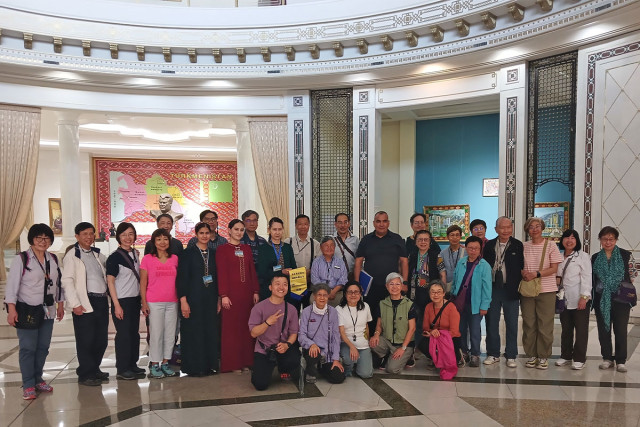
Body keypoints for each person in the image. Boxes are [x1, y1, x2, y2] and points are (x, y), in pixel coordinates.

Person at [5, 224, 65, 400]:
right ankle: (28, 384)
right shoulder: (22, 259)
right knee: (28, 348)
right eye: (39, 237)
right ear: (32, 239)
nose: (43, 241)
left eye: (46, 238)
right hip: (27, 309)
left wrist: (60, 304)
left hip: (48, 310)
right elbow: (12, 286)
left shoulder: (53, 258)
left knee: (43, 347)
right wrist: (11, 309)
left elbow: (58, 284)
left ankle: (38, 379)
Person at [61, 222, 109, 386]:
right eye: (84, 234)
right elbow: (67, 281)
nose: (89, 237)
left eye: (91, 233)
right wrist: (75, 303)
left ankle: (94, 368)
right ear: (77, 236)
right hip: (85, 301)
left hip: (101, 300)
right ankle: (86, 374)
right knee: (86, 339)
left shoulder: (97, 254)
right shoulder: (72, 256)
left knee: (101, 339)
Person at [592, 226, 638, 373]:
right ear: (600, 240)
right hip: (601, 299)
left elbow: (633, 273)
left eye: (611, 239)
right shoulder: (595, 258)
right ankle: (607, 358)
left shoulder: (625, 255)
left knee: (620, 329)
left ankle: (620, 360)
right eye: (605, 239)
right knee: (604, 329)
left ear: (616, 240)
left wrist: (616, 283)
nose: (608, 242)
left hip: (621, 299)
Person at [216, 219, 260, 373]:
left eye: (242, 230)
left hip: (247, 294)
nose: (239, 232)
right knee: (232, 331)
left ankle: (246, 361)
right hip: (231, 295)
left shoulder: (246, 248)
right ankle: (233, 364)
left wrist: (255, 291)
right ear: (229, 230)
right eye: (236, 229)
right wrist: (223, 295)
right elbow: (221, 273)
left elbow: (252, 270)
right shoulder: (222, 249)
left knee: (246, 328)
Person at [177, 222, 220, 376]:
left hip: (210, 299)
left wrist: (218, 299)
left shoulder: (214, 253)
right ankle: (195, 367)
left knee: (209, 332)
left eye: (207, 233)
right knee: (194, 333)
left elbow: (218, 278)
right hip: (192, 299)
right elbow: (181, 278)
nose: (204, 236)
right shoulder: (187, 253)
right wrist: (183, 300)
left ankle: (209, 365)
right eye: (201, 233)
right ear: (196, 234)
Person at [520, 217, 563, 370]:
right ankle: (531, 354)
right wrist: (523, 272)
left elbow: (554, 268)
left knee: (545, 324)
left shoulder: (551, 245)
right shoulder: (523, 246)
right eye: (531, 227)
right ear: (527, 229)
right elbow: (518, 265)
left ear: (542, 227)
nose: (535, 229)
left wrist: (536, 274)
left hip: (547, 290)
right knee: (529, 323)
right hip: (527, 289)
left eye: (537, 226)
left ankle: (543, 356)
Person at [482, 216, 524, 368]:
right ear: (496, 229)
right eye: (502, 227)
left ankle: (511, 355)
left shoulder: (517, 245)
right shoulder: (489, 245)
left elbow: (521, 266)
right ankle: (493, 353)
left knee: (512, 323)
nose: (506, 230)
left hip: (511, 290)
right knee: (491, 322)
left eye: (508, 227)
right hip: (493, 289)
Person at [105, 222, 145, 380]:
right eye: (124, 235)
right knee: (124, 335)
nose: (128, 238)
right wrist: (116, 305)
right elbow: (110, 282)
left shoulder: (135, 253)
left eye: (130, 234)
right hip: (122, 301)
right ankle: (122, 369)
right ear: (118, 237)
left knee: (134, 334)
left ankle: (132, 364)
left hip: (134, 300)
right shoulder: (114, 257)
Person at [248, 274, 300, 391]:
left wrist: (287, 345)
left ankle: (283, 368)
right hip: (264, 349)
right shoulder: (259, 308)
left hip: (283, 347)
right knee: (260, 384)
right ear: (270, 287)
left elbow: (294, 333)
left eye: (285, 284)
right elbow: (253, 333)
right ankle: (262, 369)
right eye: (277, 284)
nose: (281, 287)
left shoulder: (291, 309)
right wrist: (267, 323)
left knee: (297, 372)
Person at [354, 211, 408, 323]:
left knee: (392, 317)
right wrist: (357, 283)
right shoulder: (366, 239)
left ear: (388, 223)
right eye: (378, 221)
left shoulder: (397, 239)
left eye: (384, 221)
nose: (381, 224)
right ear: (374, 223)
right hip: (371, 287)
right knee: (371, 317)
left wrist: (405, 282)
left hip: (392, 287)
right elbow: (358, 262)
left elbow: (404, 262)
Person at [140, 228, 180, 379]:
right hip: (154, 302)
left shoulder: (175, 258)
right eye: (159, 239)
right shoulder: (147, 259)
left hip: (172, 301)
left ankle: (165, 362)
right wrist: (144, 303)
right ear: (154, 242)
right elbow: (143, 283)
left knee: (170, 334)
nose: (162, 242)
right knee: (156, 334)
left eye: (165, 239)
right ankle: (154, 364)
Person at [450, 236, 492, 367]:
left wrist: (484, 306)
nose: (473, 251)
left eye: (476, 248)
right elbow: (455, 281)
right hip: (459, 304)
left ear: (480, 250)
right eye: (470, 248)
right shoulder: (461, 262)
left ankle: (475, 354)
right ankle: (463, 352)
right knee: (460, 329)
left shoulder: (484, 265)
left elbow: (487, 288)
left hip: (476, 305)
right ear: (466, 248)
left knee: (474, 331)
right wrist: (452, 296)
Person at [555, 229, 592, 370]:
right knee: (566, 329)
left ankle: (579, 358)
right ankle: (565, 355)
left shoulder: (583, 256)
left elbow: (587, 277)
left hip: (579, 298)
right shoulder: (558, 255)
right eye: (567, 237)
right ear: (562, 240)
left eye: (573, 238)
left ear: (577, 241)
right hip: (563, 298)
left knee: (581, 330)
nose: (569, 241)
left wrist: (584, 297)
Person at [407, 230, 446, 359]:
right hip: (414, 294)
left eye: (426, 240)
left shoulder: (436, 255)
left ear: (430, 242)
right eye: (420, 239)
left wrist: (442, 292)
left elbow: (443, 274)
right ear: (415, 242)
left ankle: (432, 351)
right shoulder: (412, 255)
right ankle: (417, 348)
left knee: (430, 323)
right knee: (416, 322)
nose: (423, 242)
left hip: (431, 295)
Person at [369, 273, 416, 373]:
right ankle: (387, 355)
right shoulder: (382, 303)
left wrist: (403, 348)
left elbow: (412, 329)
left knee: (392, 369)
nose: (394, 287)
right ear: (387, 286)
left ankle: (408, 356)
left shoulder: (409, 304)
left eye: (397, 284)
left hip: (404, 344)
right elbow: (379, 324)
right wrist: (376, 334)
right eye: (391, 284)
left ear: (402, 286)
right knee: (372, 343)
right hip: (388, 341)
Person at [299, 283, 345, 384]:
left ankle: (321, 368)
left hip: (327, 354)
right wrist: (311, 344)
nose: (322, 298)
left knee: (338, 377)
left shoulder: (333, 312)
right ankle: (311, 368)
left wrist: (336, 359)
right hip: (312, 350)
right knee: (313, 355)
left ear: (328, 296)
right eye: (319, 295)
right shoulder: (307, 311)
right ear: (314, 296)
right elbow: (301, 335)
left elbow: (336, 336)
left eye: (325, 295)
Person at [422, 281, 462, 375]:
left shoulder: (451, 307)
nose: (436, 295)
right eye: (433, 292)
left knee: (451, 357)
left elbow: (454, 331)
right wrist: (431, 332)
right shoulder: (428, 307)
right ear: (429, 294)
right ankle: (435, 358)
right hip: (434, 336)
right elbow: (425, 328)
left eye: (439, 292)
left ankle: (456, 356)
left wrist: (439, 334)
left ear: (444, 293)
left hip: (450, 338)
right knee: (422, 344)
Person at [337, 281, 373, 378]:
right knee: (348, 359)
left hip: (362, 343)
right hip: (346, 343)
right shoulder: (339, 309)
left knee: (365, 374)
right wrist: (352, 347)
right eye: (350, 292)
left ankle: (358, 363)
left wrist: (367, 341)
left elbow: (366, 326)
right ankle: (349, 366)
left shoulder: (366, 306)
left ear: (360, 294)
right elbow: (341, 332)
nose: (353, 295)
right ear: (345, 294)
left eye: (356, 292)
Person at [257, 217, 297, 301]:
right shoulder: (263, 248)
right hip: (269, 288)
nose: (277, 232)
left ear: (283, 230)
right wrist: (281, 271)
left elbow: (294, 267)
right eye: (274, 229)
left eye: (280, 229)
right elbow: (262, 272)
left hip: (286, 289)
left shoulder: (287, 247)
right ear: (269, 230)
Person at [310, 236, 347, 307]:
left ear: (335, 247)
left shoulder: (340, 261)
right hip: (320, 292)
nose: (329, 248)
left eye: (332, 245)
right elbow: (315, 279)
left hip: (337, 292)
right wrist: (326, 292)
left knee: (345, 301)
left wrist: (333, 292)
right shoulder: (316, 262)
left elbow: (343, 279)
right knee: (312, 300)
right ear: (321, 247)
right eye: (326, 245)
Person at [333, 213, 360, 280]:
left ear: (349, 223)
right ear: (335, 224)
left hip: (351, 276)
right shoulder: (331, 240)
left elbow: (359, 259)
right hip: (335, 277)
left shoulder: (355, 239)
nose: (343, 225)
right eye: (340, 223)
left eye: (345, 222)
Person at [439, 225, 466, 289]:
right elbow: (442, 272)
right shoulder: (442, 254)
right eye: (452, 235)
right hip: (448, 286)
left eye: (457, 235)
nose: (455, 238)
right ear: (448, 237)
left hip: (463, 286)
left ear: (460, 237)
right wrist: (444, 289)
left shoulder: (466, 252)